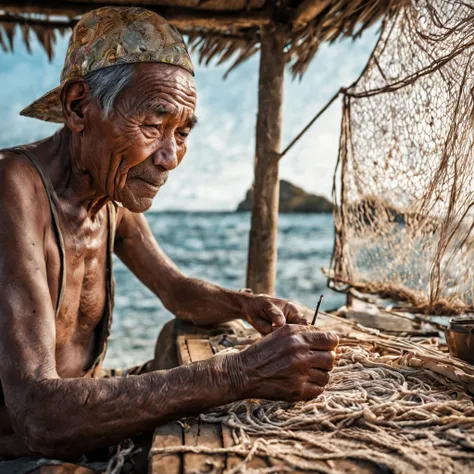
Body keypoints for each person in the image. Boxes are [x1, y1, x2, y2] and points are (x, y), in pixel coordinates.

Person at [0, 6, 339, 465]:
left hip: (82, 426)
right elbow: (39, 414)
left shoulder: (109, 196)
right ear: (80, 107)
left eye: (181, 132)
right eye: (154, 126)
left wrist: (245, 304)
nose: (170, 156)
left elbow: (176, 290)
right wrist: (239, 372)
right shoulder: (14, 188)